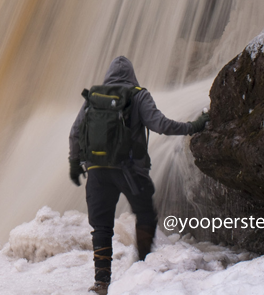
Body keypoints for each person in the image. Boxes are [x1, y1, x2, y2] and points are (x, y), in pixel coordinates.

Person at [68, 56, 209, 295]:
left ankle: (101, 282)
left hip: (96, 171)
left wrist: (74, 163)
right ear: (132, 75)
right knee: (145, 214)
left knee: (101, 227)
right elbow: (160, 124)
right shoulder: (138, 95)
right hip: (130, 170)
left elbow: (75, 132)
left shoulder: (94, 97)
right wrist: (192, 127)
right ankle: (143, 268)